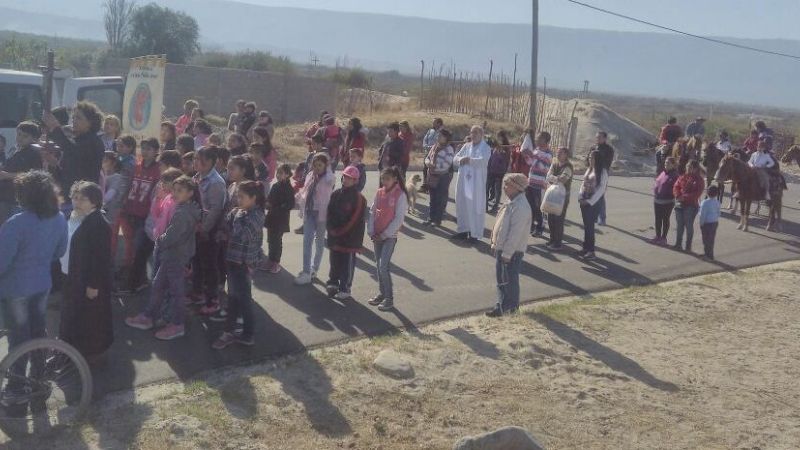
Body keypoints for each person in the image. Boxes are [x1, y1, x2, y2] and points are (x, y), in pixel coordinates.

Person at [125, 176, 202, 340]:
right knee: (159, 286)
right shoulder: (186, 208)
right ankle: (149, 316)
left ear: (190, 193)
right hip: (173, 254)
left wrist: (160, 239)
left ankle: (177, 324)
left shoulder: (183, 213)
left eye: (180, 190)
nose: (174, 193)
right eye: (174, 189)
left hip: (174, 255)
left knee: (176, 291)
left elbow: (172, 236)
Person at [0, 171, 67, 355]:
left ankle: (17, 382)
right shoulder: (59, 217)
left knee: (18, 339)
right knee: (38, 332)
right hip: (42, 283)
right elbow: (60, 252)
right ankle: (39, 376)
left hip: (15, 288)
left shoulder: (16, 223)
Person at [59, 181, 113, 360]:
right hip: (73, 275)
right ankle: (67, 347)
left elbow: (100, 259)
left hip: (87, 281)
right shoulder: (80, 217)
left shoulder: (99, 223)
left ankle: (83, 353)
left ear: (94, 201)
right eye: (75, 198)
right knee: (71, 311)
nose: (77, 202)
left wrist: (93, 285)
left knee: (87, 316)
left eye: (83, 199)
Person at [212, 181, 265, 350]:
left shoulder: (256, 215)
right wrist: (221, 233)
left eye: (241, 197)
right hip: (232, 261)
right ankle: (229, 332)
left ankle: (246, 334)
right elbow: (224, 228)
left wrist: (235, 218)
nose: (238, 200)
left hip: (243, 264)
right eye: (237, 196)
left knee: (243, 301)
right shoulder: (238, 213)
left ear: (253, 198)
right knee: (234, 299)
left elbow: (243, 235)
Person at [42, 101, 105, 214]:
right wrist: (54, 165)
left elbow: (73, 152)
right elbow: (67, 173)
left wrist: (55, 127)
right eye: (73, 117)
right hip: (69, 197)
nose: (74, 121)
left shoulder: (93, 142)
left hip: (84, 200)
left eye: (79, 118)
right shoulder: (76, 141)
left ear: (90, 122)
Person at [485, 173, 532, 317]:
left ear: (517, 187)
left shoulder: (521, 207)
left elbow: (515, 234)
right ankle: (503, 306)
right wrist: (495, 243)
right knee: (502, 280)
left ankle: (510, 308)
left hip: (512, 251)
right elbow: (500, 225)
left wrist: (506, 254)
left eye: (508, 185)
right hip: (503, 248)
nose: (504, 188)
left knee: (509, 280)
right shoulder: (510, 202)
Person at [118, 138, 161, 294]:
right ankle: (140, 279)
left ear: (157, 151)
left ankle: (133, 284)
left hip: (145, 215)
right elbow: (129, 187)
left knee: (140, 249)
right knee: (134, 247)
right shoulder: (136, 167)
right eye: (143, 148)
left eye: (149, 149)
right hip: (131, 211)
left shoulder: (159, 170)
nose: (145, 152)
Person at [191, 146, 228, 314]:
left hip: (210, 232)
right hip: (198, 228)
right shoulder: (197, 177)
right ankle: (197, 293)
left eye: (201, 160)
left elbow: (215, 211)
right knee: (197, 262)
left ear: (212, 162)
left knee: (210, 266)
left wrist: (204, 229)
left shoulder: (216, 182)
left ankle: (213, 300)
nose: (197, 163)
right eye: (196, 159)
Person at [367, 167, 408, 312]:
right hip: (376, 235)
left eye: (387, 179)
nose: (384, 181)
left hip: (389, 237)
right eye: (383, 179)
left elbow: (398, 219)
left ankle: (389, 298)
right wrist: (371, 231)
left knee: (383, 265)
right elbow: (372, 212)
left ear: (395, 179)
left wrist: (384, 235)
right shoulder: (379, 192)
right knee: (378, 266)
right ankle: (382, 293)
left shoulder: (400, 195)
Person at [326, 166, 367, 300]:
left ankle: (345, 288)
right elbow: (329, 213)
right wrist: (331, 229)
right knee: (334, 261)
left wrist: (340, 231)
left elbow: (355, 220)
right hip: (335, 236)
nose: (346, 180)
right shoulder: (336, 194)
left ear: (355, 181)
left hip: (350, 238)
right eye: (345, 176)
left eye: (350, 178)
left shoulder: (360, 198)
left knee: (347, 265)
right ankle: (333, 282)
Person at [295, 152, 335, 285]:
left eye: (320, 165)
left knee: (319, 243)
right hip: (310, 211)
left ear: (326, 166)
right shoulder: (310, 175)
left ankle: (314, 268)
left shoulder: (329, 178)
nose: (317, 167)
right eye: (315, 165)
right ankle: (306, 272)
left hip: (322, 214)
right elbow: (306, 190)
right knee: (307, 241)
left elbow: (331, 178)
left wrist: (328, 167)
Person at [452, 126, 491, 243]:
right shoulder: (466, 146)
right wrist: (460, 159)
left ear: (481, 134)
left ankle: (474, 234)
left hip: (476, 184)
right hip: (464, 182)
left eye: (475, 133)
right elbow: (455, 158)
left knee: (475, 207)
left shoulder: (486, 147)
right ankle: (463, 231)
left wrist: (470, 160)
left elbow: (483, 161)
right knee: (462, 205)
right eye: (471, 132)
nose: (473, 135)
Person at [0, 121, 43, 225]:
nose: (20, 138)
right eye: (19, 134)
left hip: (18, 199)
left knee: (13, 226)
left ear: (34, 139)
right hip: (6, 196)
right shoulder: (15, 149)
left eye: (25, 136)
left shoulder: (33, 153)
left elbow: (32, 175)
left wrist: (7, 175)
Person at [265, 163, 295, 274]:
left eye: (281, 173)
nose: (278, 175)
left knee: (277, 241)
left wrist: (279, 207)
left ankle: (276, 263)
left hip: (281, 219)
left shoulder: (289, 188)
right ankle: (270, 259)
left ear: (287, 175)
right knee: (270, 240)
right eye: (278, 172)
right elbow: (270, 199)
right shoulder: (275, 186)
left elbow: (290, 204)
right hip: (272, 217)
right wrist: (267, 203)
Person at [578, 151, 608, 260]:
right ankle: (585, 248)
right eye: (590, 157)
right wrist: (580, 197)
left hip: (593, 203)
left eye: (593, 158)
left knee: (590, 227)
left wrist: (589, 201)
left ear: (598, 159)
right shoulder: (589, 169)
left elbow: (601, 190)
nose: (590, 159)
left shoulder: (603, 172)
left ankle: (591, 251)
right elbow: (583, 184)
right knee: (586, 227)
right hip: (584, 200)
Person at [424, 129, 455, 227]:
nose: (438, 137)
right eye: (438, 136)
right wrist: (428, 163)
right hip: (432, 176)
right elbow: (428, 157)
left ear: (446, 138)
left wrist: (434, 167)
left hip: (443, 177)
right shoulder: (435, 146)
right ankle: (431, 218)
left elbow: (447, 163)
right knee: (432, 198)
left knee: (439, 199)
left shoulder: (449, 149)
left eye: (440, 136)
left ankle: (437, 220)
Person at [672, 160, 705, 252]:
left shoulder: (699, 180)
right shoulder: (682, 176)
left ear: (695, 169)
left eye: (690, 167)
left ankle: (688, 246)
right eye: (687, 166)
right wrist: (678, 195)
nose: (687, 168)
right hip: (679, 205)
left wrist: (684, 197)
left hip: (691, 206)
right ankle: (678, 244)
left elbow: (697, 194)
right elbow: (676, 186)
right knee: (679, 226)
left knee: (688, 226)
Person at [525, 131, 553, 236]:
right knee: (530, 205)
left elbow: (544, 167)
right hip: (530, 181)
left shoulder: (549, 154)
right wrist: (526, 156)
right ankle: (531, 225)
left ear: (545, 140)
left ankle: (540, 227)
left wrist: (534, 157)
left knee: (538, 207)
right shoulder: (536, 150)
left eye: (539, 138)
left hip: (540, 184)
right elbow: (530, 163)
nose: (536, 139)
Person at [545, 147, 573, 250]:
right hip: (553, 194)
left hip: (563, 197)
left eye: (560, 152)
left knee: (559, 219)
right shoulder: (555, 163)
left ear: (566, 154)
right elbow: (548, 176)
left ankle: (558, 243)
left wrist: (553, 178)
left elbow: (563, 180)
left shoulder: (568, 167)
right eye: (557, 152)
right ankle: (552, 239)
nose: (558, 154)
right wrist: (556, 178)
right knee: (550, 218)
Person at [650, 157, 679, 245]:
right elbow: (657, 183)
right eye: (666, 163)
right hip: (657, 200)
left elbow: (676, 188)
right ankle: (657, 236)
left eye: (668, 163)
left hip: (668, 202)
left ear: (673, 165)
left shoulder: (675, 175)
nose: (666, 164)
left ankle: (663, 238)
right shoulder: (663, 173)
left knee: (665, 220)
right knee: (657, 219)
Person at [591, 131, 614, 226]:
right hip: (592, 173)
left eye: (600, 137)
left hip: (602, 173)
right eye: (597, 137)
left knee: (600, 195)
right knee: (592, 194)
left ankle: (602, 218)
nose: (597, 139)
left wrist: (598, 154)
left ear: (605, 138)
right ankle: (594, 216)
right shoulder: (593, 148)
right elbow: (588, 160)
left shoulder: (609, 149)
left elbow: (607, 163)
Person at [101, 151, 125, 228]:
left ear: (113, 163)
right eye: (102, 161)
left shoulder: (117, 178)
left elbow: (108, 197)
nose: (103, 163)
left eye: (105, 161)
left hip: (110, 214)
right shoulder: (101, 175)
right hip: (101, 212)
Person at [486, 137, 510, 213]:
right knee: (486, 189)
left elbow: (504, 163)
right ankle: (485, 206)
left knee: (497, 191)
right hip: (491, 172)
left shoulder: (504, 152)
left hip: (498, 174)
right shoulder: (493, 150)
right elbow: (490, 161)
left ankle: (495, 207)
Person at [421, 118, 444, 192]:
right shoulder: (430, 131)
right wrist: (425, 146)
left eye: (434, 122)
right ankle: (424, 185)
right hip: (427, 152)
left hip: (436, 153)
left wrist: (431, 148)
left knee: (432, 170)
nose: (433, 123)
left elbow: (439, 142)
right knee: (425, 169)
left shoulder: (442, 132)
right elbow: (425, 139)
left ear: (439, 123)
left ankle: (432, 186)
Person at [699, 185, 721, 260]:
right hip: (715, 222)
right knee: (711, 239)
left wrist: (701, 223)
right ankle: (710, 254)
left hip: (706, 223)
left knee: (705, 240)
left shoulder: (705, 203)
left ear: (707, 193)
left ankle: (707, 255)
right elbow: (719, 213)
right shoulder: (717, 202)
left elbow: (702, 214)